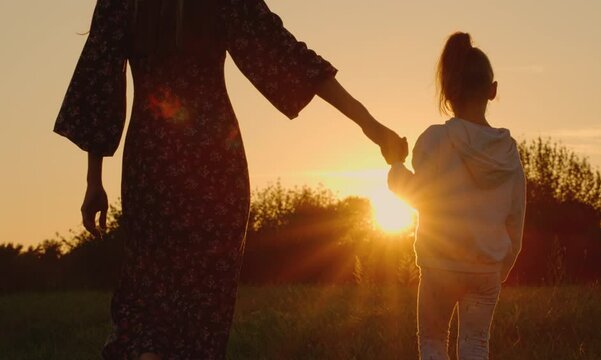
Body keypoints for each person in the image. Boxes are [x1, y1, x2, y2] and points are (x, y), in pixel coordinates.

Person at [54, 0, 407, 359]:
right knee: (205, 308)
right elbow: (287, 54)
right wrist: (371, 126)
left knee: (146, 302)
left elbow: (97, 83)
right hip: (215, 158)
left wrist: (93, 180)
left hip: (151, 160)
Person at [387, 32, 526, 360]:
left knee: (433, 343)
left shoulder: (435, 140)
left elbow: (418, 195)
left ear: (448, 91)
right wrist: (500, 268)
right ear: (493, 91)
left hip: (439, 264)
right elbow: (515, 220)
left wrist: (395, 168)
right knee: (475, 347)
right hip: (486, 268)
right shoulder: (508, 152)